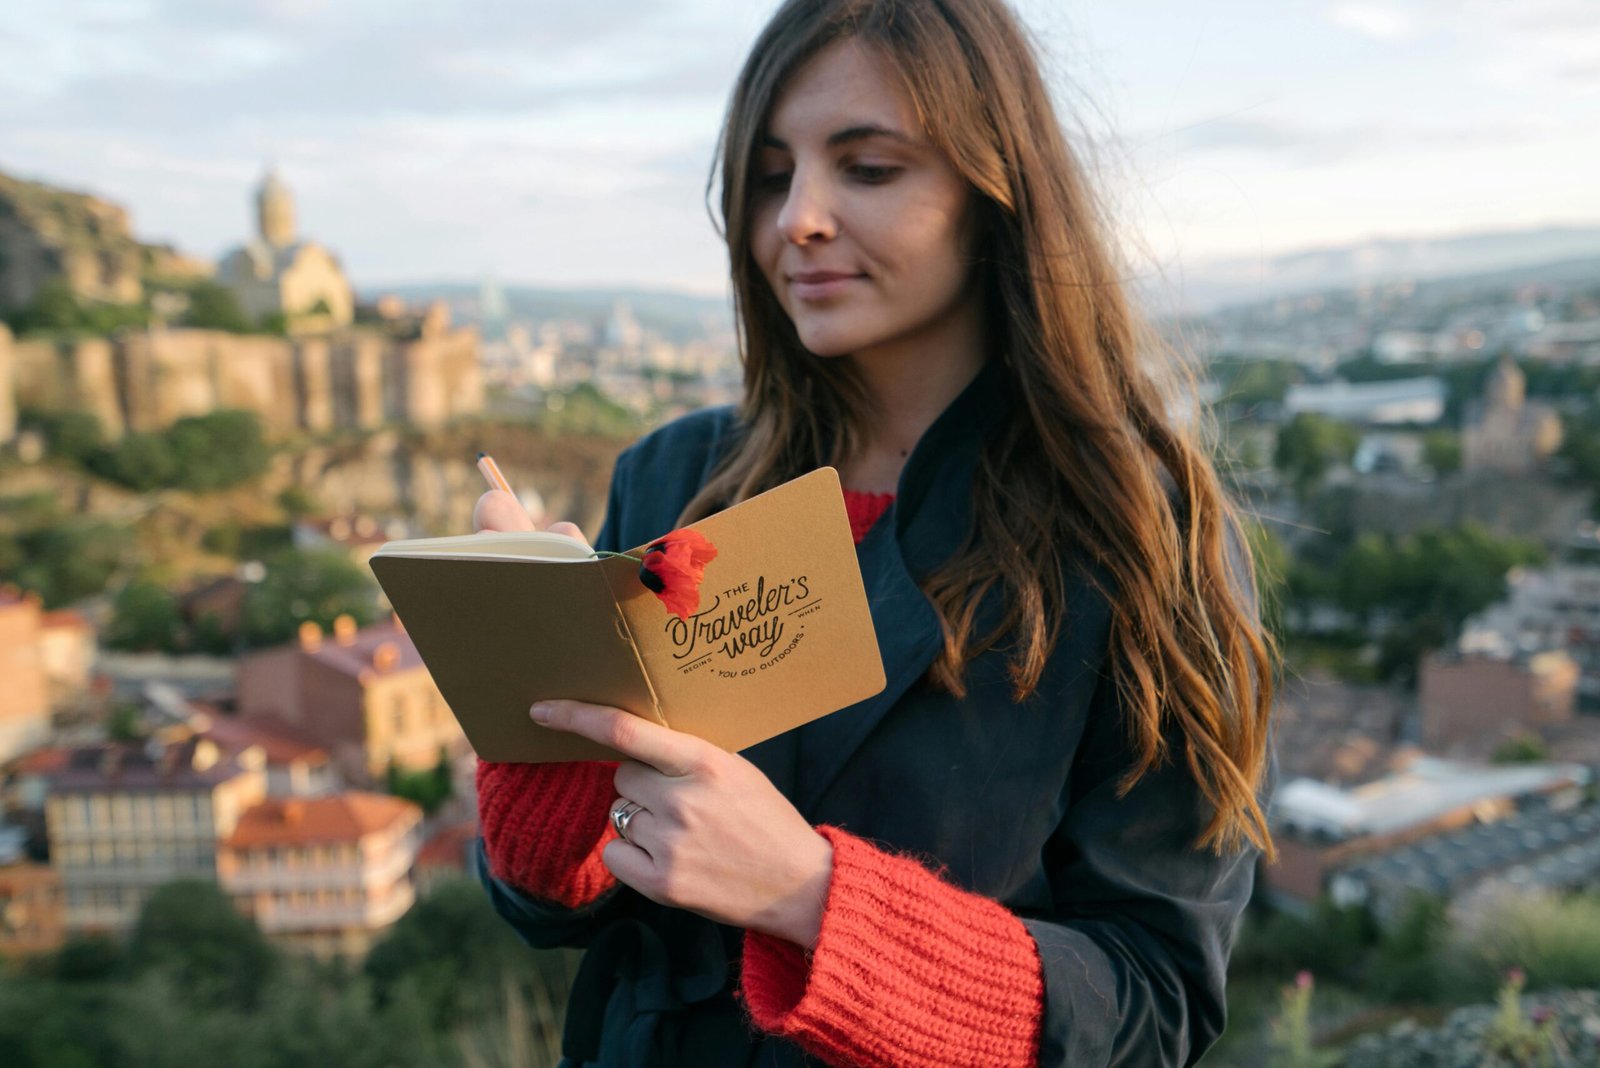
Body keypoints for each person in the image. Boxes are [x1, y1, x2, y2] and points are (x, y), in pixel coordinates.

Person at [471, 0, 1279, 1064]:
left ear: (996, 194)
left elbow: (1153, 1007)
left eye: (867, 168)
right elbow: (556, 911)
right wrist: (546, 740)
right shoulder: (673, 477)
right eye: (770, 176)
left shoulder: (1137, 535)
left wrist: (811, 899)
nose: (796, 219)